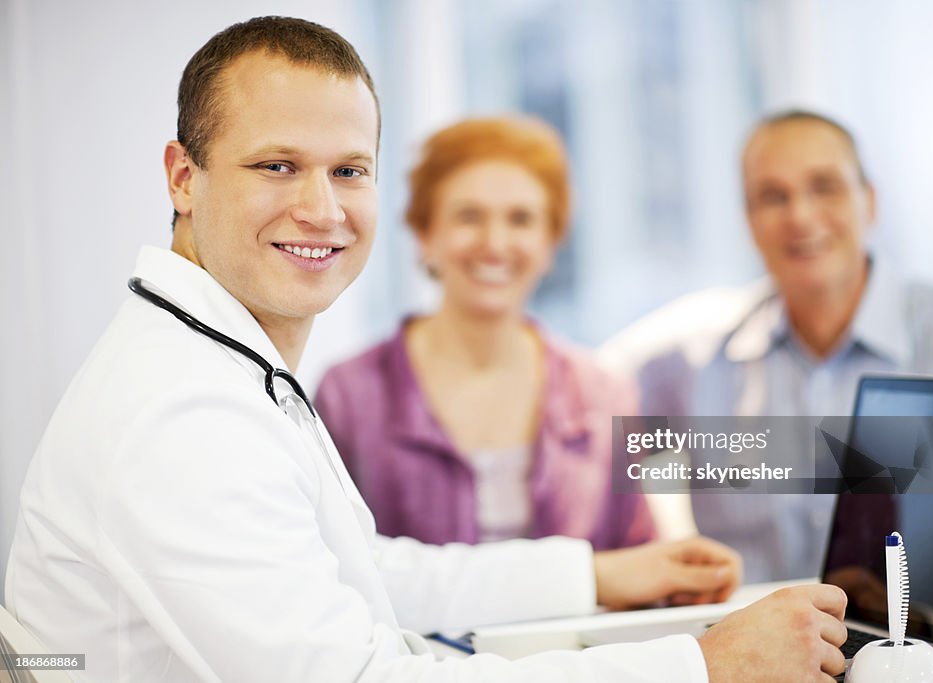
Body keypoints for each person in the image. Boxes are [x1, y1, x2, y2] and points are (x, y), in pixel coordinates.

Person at [5, 18, 848, 682]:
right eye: (275, 165)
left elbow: (357, 571)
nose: (320, 209)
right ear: (183, 177)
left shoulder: (226, 367)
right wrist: (704, 665)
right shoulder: (184, 412)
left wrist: (593, 575)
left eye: (348, 171)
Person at [601, 110, 933, 584]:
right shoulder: (688, 360)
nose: (800, 216)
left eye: (824, 186)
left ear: (870, 201)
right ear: (749, 222)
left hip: (927, 649)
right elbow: (571, 424)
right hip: (753, 647)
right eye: (772, 196)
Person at [315, 117, 653, 550]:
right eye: (469, 216)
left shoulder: (610, 394)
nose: (495, 243)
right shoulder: (349, 395)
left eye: (521, 219)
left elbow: (643, 554)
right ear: (424, 235)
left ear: (551, 241)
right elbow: (333, 565)